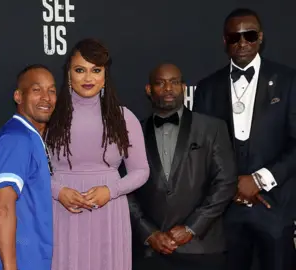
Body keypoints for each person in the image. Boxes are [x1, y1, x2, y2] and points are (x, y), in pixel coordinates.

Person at [193, 8, 296, 270]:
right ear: (224, 41)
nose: (242, 43)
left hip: (275, 207)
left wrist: (259, 180)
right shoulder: (207, 88)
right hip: (225, 212)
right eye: (234, 37)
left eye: (249, 35)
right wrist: (230, 187)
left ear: (260, 37)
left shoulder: (288, 81)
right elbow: (200, 149)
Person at [45, 38, 150, 270]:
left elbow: (141, 171)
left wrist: (111, 191)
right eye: (80, 70)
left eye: (96, 70)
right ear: (69, 74)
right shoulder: (51, 116)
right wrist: (58, 191)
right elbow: (33, 169)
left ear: (105, 76)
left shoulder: (123, 117)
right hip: (63, 210)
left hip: (109, 212)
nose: (88, 78)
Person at [129, 63, 237, 270]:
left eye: (174, 82)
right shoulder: (132, 132)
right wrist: (148, 232)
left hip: (202, 248)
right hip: (152, 250)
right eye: (161, 83)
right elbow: (126, 190)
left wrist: (191, 228)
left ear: (184, 87)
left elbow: (225, 183)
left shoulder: (212, 128)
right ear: (148, 90)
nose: (168, 88)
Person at [0, 65, 57, 270]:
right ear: (18, 96)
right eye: (37, 90)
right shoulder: (16, 139)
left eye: (52, 91)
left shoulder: (30, 136)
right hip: (21, 261)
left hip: (35, 258)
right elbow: (3, 207)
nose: (46, 97)